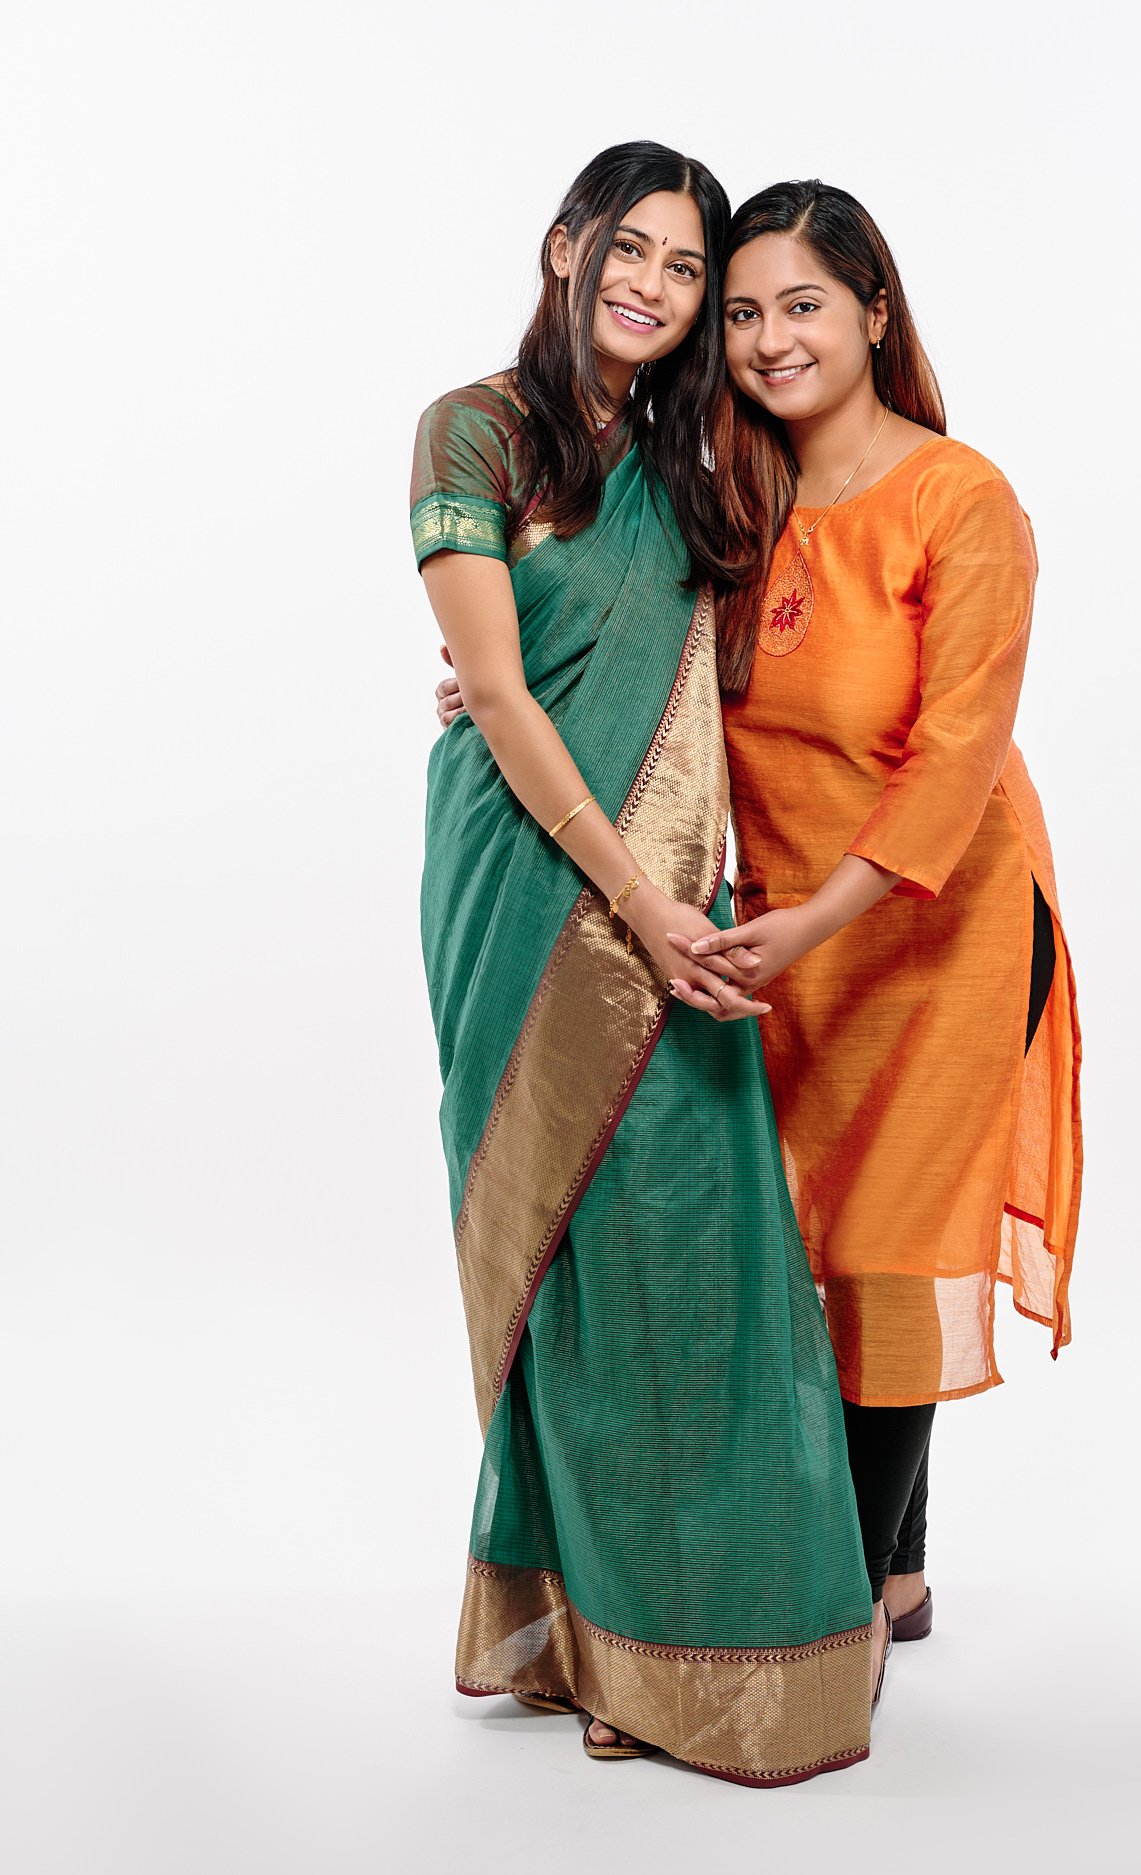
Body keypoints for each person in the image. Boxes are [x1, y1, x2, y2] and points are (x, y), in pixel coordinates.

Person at [412, 143, 873, 1786]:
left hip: (684, 890)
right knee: (559, 1255)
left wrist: (702, 898)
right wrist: (636, 900)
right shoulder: (472, 430)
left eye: (688, 271)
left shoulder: (699, 461)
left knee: (682, 1258)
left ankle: (681, 1632)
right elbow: (507, 693)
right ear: (564, 247)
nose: (659, 288)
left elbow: (764, 643)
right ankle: (590, 1635)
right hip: (528, 881)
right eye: (640, 252)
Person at [678, 179, 1084, 1653]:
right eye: (739, 314)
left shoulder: (957, 498)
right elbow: (659, 672)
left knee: (883, 1238)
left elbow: (959, 753)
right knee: (807, 1240)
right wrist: (513, 684)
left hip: (940, 929)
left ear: (872, 311)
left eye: (800, 305)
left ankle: (831, 1617)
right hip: (793, 933)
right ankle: (901, 1575)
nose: (769, 340)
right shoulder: (733, 490)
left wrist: (816, 921)